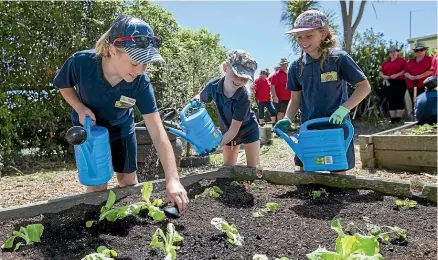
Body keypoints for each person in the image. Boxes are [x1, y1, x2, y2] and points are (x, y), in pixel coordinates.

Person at [53, 15, 189, 212]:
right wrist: (80, 108)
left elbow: (158, 133)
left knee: (128, 181)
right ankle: (97, 220)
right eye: (135, 63)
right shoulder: (81, 63)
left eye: (146, 63)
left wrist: (173, 180)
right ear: (112, 50)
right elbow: (64, 86)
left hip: (121, 128)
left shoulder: (141, 84)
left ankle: (120, 220)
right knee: (97, 185)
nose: (141, 70)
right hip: (91, 130)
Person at [275, 10, 371, 173]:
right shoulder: (296, 66)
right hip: (309, 128)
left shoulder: (338, 58)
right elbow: (295, 99)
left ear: (323, 33)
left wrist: (344, 109)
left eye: (309, 35)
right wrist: (287, 118)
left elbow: (364, 86)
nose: (303, 41)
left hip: (337, 127)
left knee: (338, 173)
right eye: (299, 37)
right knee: (306, 171)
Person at [192, 50, 260, 167]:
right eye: (236, 74)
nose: (239, 80)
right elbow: (201, 97)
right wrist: (196, 99)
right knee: (227, 169)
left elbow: (234, 131)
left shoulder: (243, 98)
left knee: (253, 168)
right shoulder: (213, 86)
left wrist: (215, 145)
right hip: (227, 130)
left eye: (244, 78)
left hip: (247, 130)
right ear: (225, 68)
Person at [379, 45, 408, 123]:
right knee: (391, 99)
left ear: (397, 52)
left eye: (394, 51)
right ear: (389, 53)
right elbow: (381, 71)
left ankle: (398, 118)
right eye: (391, 52)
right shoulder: (386, 62)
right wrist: (384, 76)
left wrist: (397, 75)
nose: (393, 53)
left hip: (399, 82)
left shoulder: (402, 60)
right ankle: (393, 118)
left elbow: (405, 70)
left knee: (399, 99)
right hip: (389, 83)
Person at [404, 42, 433, 108]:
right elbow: (406, 72)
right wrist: (410, 76)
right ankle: (416, 116)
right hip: (412, 86)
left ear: (425, 50)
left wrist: (420, 76)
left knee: (425, 103)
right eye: (417, 50)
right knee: (415, 103)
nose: (419, 52)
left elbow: (432, 70)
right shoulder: (410, 61)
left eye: (421, 50)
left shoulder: (430, 59)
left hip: (425, 86)